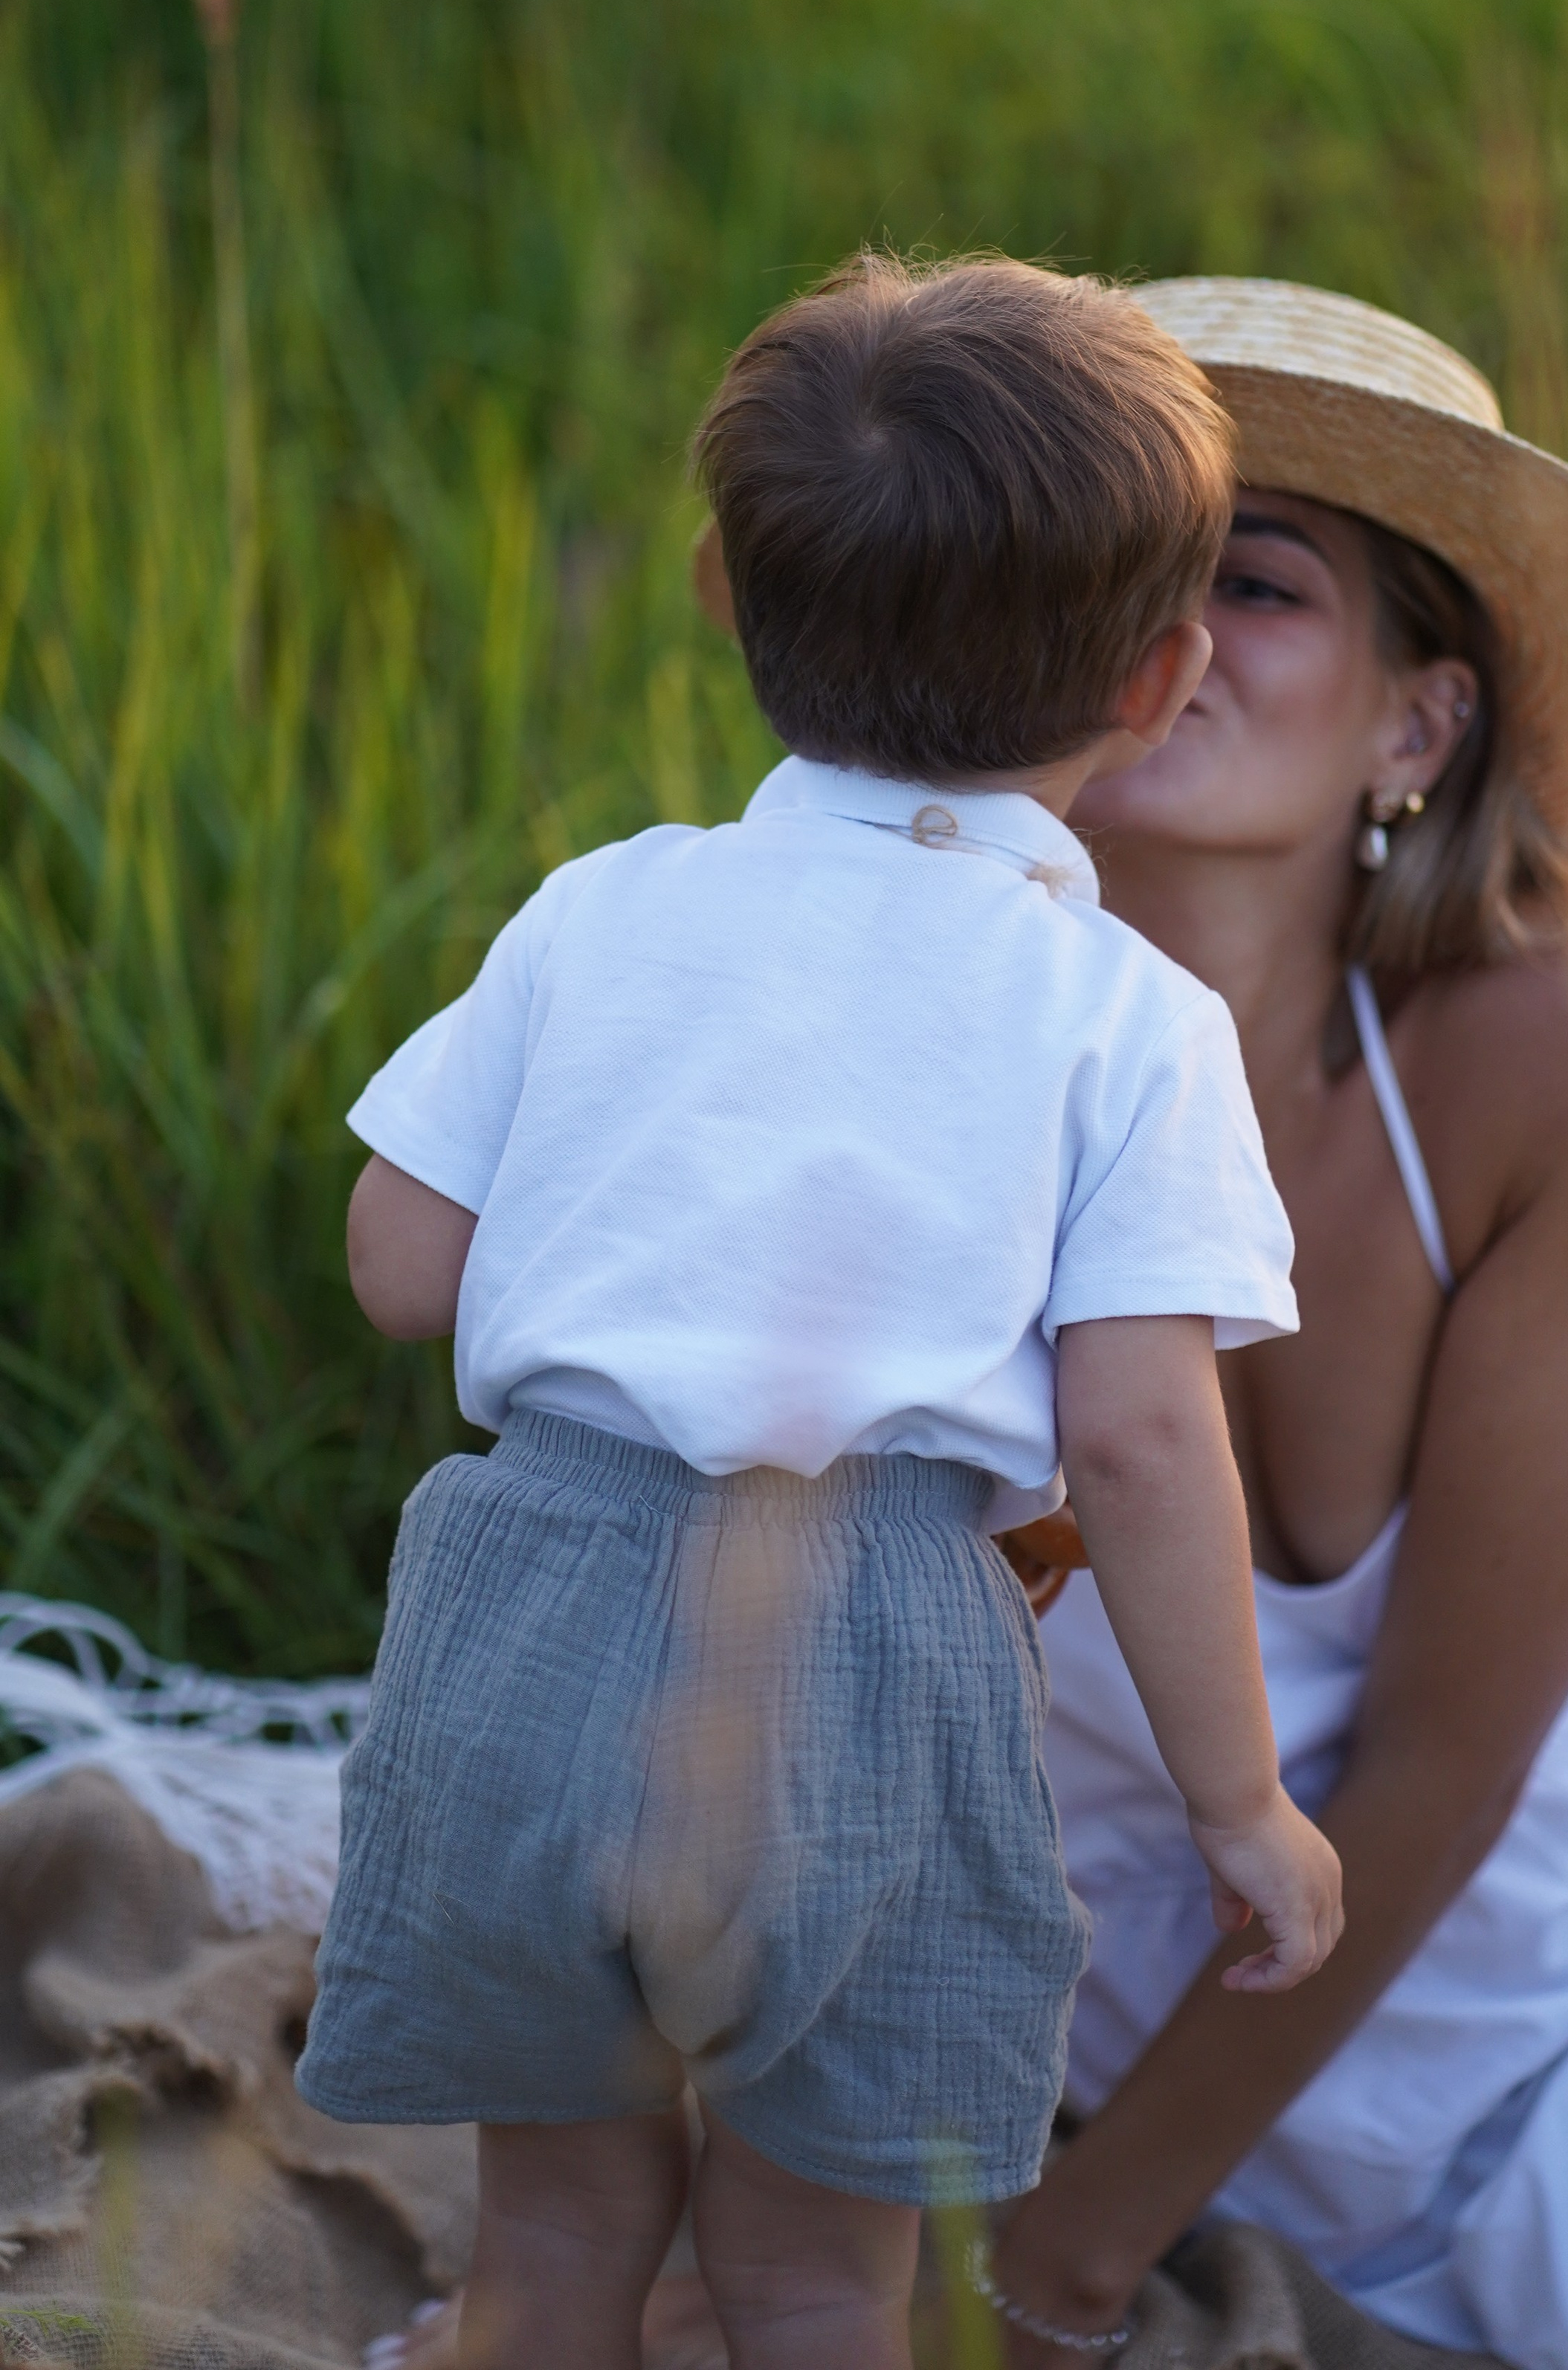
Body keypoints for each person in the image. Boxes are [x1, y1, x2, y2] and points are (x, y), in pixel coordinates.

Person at [300, 254, 1343, 2370]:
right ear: (1155, 683)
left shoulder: (604, 908)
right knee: (805, 2282)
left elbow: (401, 1261)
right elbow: (1142, 1442)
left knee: (557, 2246)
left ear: (716, 587)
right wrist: (1239, 1804)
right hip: (864, 1654)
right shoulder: (1125, 1021)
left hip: (522, 1612)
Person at [981, 278, 1568, 2370]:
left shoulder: (1564, 1030)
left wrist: (1073, 2253)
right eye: (1115, 569)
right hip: (1121, 1933)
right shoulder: (899, 1017)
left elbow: (1455, 1756)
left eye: (1261, 579)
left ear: (1419, 723)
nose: (1172, 632)